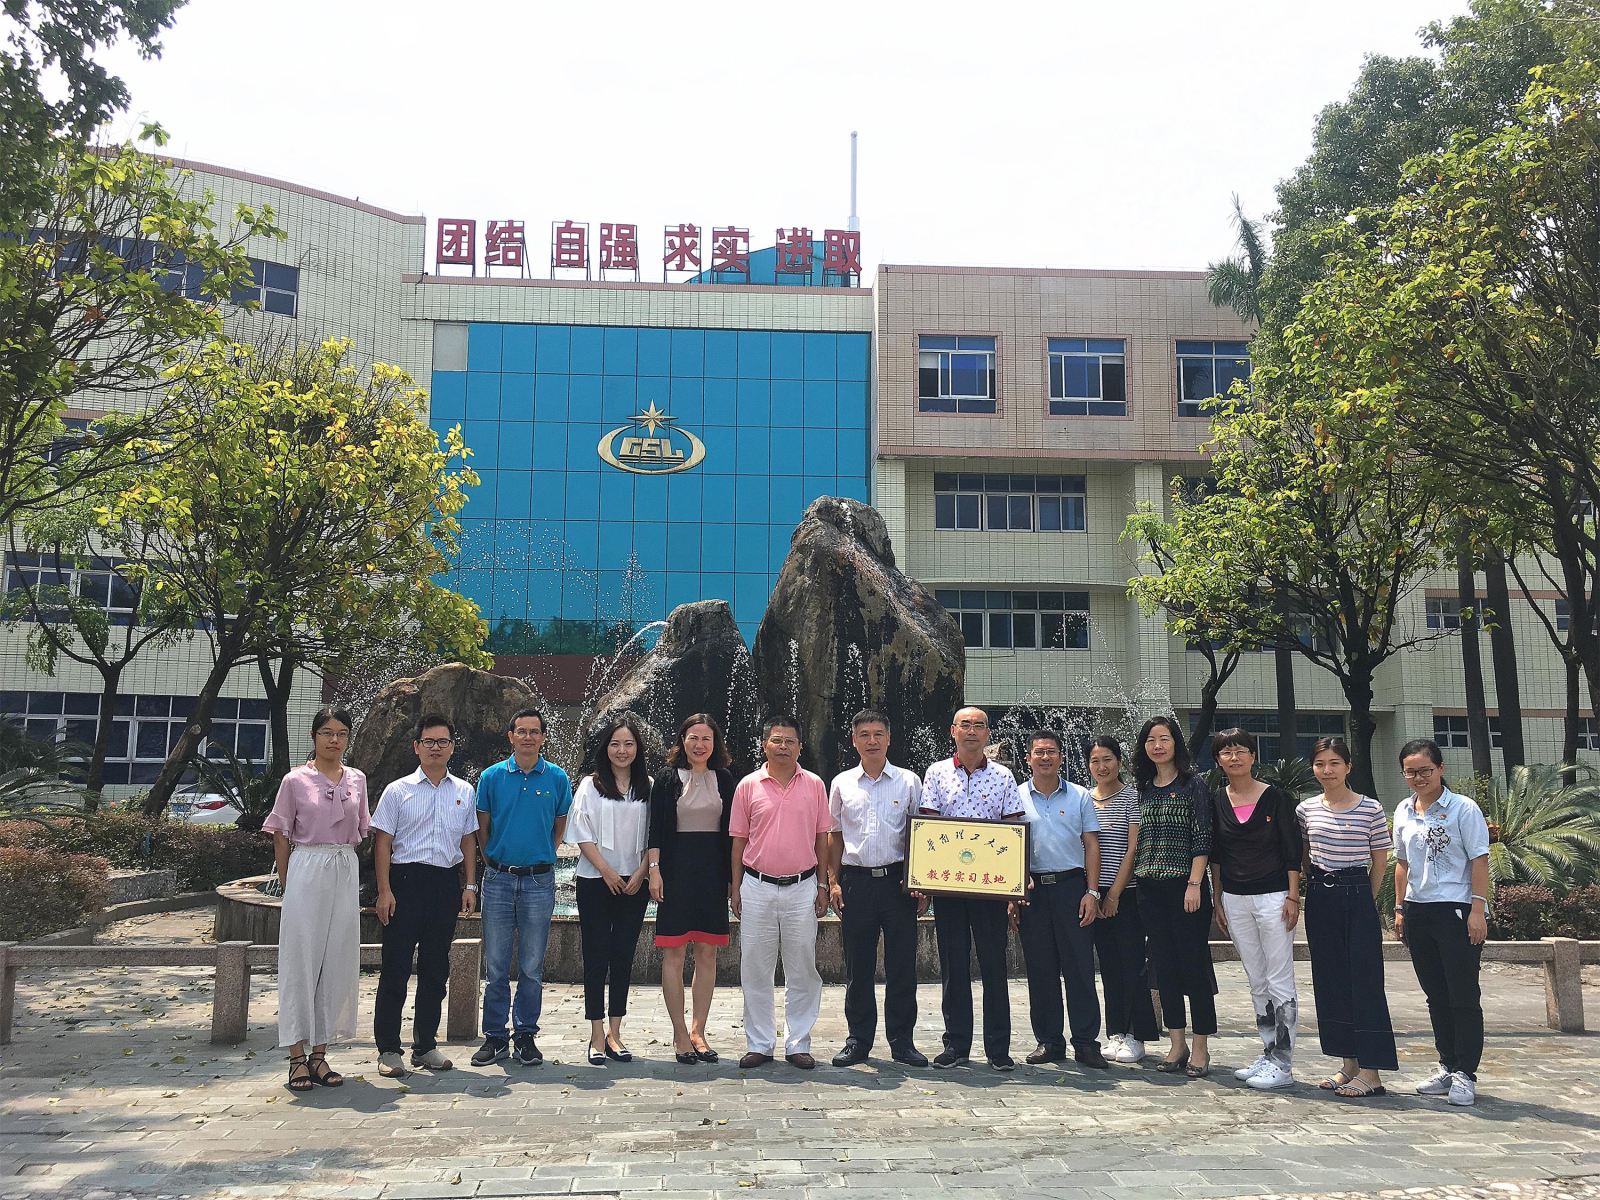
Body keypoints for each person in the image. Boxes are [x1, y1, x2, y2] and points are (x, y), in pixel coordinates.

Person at [263, 706, 369, 1092]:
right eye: (327, 732)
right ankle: (296, 1055)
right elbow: (280, 835)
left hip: (344, 865)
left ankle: (320, 1054)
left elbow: (362, 829)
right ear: (314, 736)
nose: (334, 740)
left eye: (341, 733)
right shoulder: (295, 780)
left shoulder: (357, 779)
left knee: (337, 958)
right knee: (300, 959)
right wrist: (289, 882)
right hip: (307, 864)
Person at [370, 713, 478, 1078]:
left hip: (444, 884)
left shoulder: (464, 791)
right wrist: (384, 890)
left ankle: (426, 1045)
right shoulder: (398, 790)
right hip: (405, 881)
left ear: (452, 747)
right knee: (396, 967)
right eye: (429, 741)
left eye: (442, 741)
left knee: (435, 968)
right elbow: (382, 842)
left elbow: (468, 841)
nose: (436, 748)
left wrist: (469, 885)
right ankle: (388, 1048)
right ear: (416, 746)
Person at [921, 705, 1026, 1071]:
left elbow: (1013, 830)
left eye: (978, 725)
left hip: (990, 889)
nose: (971, 731)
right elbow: (928, 826)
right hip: (948, 888)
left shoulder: (1003, 776)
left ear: (987, 733)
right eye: (964, 724)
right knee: (953, 966)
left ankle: (998, 1048)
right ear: (953, 731)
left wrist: (1014, 888)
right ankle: (956, 1045)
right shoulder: (936, 773)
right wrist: (923, 882)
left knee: (995, 965)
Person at [825, 709, 928, 1068]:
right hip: (856, 882)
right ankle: (858, 1040)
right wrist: (833, 882)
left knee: (902, 965)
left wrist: (920, 883)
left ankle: (902, 1041)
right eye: (864, 735)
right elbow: (834, 836)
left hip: (898, 883)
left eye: (878, 734)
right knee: (858, 966)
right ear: (854, 740)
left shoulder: (909, 781)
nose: (872, 741)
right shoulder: (842, 783)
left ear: (889, 738)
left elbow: (921, 834)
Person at [729, 714, 833, 1070]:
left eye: (790, 741)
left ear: (800, 747)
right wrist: (735, 887)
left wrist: (823, 884)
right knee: (755, 967)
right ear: (764, 745)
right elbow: (738, 840)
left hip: (802, 887)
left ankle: (798, 1042)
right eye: (776, 740)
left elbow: (822, 837)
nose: (783, 747)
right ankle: (759, 1042)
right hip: (756, 885)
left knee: (802, 968)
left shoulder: (815, 785)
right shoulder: (748, 785)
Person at [1298, 735, 1397, 1099]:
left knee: (1365, 980)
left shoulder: (1370, 808)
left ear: (1348, 766)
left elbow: (1380, 860)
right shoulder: (1305, 809)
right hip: (1320, 896)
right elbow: (1304, 855)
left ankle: (1372, 1072)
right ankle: (1349, 1064)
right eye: (1320, 764)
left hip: (1357, 892)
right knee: (1330, 980)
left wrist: (1365, 897)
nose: (1327, 770)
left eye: (1334, 763)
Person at [1394, 737, 1491, 1107]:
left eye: (1425, 770)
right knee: (1435, 994)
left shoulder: (1463, 808)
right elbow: (1402, 863)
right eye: (1411, 772)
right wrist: (1400, 909)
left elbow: (1479, 859)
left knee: (1462, 994)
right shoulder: (1403, 810)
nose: (1419, 778)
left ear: (1440, 769)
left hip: (1456, 909)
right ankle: (1447, 1064)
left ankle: (1466, 1073)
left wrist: (1477, 910)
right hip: (1418, 910)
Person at [472, 708, 572, 1068]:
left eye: (534, 731)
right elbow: (482, 827)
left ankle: (526, 1035)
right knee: (496, 965)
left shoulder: (557, 777)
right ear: (511, 736)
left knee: (532, 965)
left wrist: (543, 854)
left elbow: (559, 825)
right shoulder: (491, 777)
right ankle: (495, 1037)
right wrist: (493, 859)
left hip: (538, 881)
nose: (528, 737)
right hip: (499, 879)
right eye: (521, 731)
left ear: (543, 737)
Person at [1207, 727, 1303, 1090]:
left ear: (1253, 756)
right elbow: (1217, 856)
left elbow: (1292, 849)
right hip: (1235, 898)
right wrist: (1218, 899)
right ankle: (1268, 1051)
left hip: (1274, 897)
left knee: (1279, 978)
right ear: (1218, 760)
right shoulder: (1217, 799)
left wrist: (1293, 896)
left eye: (1240, 751)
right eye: (1226, 752)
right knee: (1256, 979)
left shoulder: (1276, 797)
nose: (1234, 758)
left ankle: (1284, 1062)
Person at [1013, 730, 1108, 1070]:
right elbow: (1008, 844)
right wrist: (1013, 892)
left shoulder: (1080, 795)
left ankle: (1086, 1042)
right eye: (1039, 752)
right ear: (1028, 758)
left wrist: (1092, 892)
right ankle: (1049, 1041)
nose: (1045, 757)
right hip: (1033, 891)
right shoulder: (1015, 796)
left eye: (1051, 752)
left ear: (1061, 757)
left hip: (1072, 888)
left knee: (1080, 967)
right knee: (1041, 969)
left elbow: (1091, 845)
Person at [648, 713, 737, 1065]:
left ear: (715, 744)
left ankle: (699, 1030)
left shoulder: (724, 778)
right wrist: (654, 871)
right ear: (682, 740)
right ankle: (679, 1033)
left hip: (711, 874)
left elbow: (732, 833)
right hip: (676, 872)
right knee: (673, 953)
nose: (700, 745)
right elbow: (655, 829)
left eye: (706, 739)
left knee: (707, 952)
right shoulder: (667, 778)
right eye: (693, 738)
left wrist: (732, 879)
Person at [1131, 715, 1217, 1078]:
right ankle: (1177, 1044)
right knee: (1164, 967)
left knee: (1193, 968)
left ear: (1175, 743)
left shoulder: (1192, 785)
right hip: (1149, 889)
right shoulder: (1143, 788)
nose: (1157, 746)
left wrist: (1195, 884)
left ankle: (1201, 1047)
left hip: (1186, 887)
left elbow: (1203, 836)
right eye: (1151, 740)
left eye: (1164, 739)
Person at [569, 715, 653, 1065]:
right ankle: (596, 1033)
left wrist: (642, 872)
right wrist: (605, 871)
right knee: (596, 955)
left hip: (635, 882)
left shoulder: (648, 786)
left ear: (637, 749)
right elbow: (580, 831)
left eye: (628, 744)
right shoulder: (590, 785)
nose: (622, 750)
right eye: (615, 744)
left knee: (623, 955)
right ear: (606, 748)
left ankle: (615, 1033)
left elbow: (656, 835)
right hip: (595, 881)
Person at [1085, 735, 1159, 1064]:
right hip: (1093, 893)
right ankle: (1115, 1032)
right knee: (1109, 966)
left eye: (1108, 759)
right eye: (1095, 761)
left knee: (1132, 963)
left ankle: (1137, 1035)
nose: (1102, 767)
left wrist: (1114, 893)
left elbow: (1132, 848)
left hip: (1125, 894)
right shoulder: (1085, 799)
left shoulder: (1132, 797)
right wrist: (1094, 893)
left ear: (1119, 761)